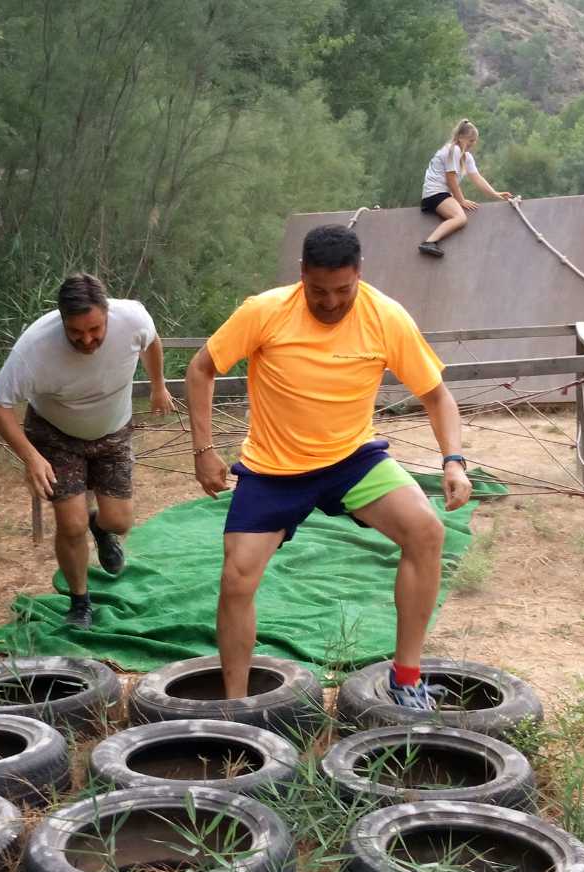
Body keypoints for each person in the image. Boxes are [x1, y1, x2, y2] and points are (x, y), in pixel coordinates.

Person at [187, 225, 472, 708]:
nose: (331, 302)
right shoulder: (265, 311)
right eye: (319, 291)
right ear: (302, 276)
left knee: (426, 530)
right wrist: (204, 450)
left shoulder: (386, 316)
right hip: (273, 469)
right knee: (236, 578)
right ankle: (235, 707)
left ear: (360, 274)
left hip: (350, 460)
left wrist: (453, 460)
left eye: (343, 290)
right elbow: (201, 368)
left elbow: (437, 395)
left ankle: (406, 680)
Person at [0, 273, 173, 629]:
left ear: (107, 313)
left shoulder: (132, 317)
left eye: (95, 330)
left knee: (119, 520)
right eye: (76, 333)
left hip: (113, 430)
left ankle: (100, 529)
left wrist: (158, 384)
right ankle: (79, 602)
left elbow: (151, 341)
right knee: (69, 524)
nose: (87, 340)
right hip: (57, 436)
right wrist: (31, 457)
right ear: (61, 321)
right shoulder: (34, 349)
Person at [418, 119, 514, 258]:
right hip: (435, 194)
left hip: (442, 195)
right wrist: (461, 201)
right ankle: (429, 242)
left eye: (474, 141)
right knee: (460, 218)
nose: (472, 144)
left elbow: (477, 178)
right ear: (461, 137)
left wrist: (496, 194)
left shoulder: (466, 157)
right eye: (470, 140)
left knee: (460, 215)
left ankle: (430, 241)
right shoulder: (453, 150)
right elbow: (451, 180)